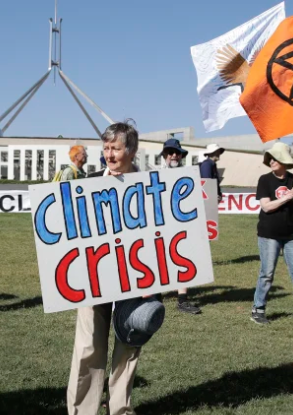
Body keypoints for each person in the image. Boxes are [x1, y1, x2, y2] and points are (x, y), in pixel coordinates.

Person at [67, 120, 147, 415]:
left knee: (128, 347)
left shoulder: (150, 186)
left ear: (132, 150)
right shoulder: (87, 182)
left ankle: (120, 409)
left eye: (115, 148)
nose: (109, 155)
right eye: (106, 148)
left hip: (135, 279)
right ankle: (82, 410)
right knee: (87, 347)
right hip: (93, 277)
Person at [250, 142, 293, 325]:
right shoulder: (265, 180)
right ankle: (258, 309)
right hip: (269, 234)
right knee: (267, 273)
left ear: (283, 161)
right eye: (269, 158)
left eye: (275, 158)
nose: (271, 161)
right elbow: (266, 206)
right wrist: (288, 196)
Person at [159, 139, 201, 315]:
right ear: (165, 155)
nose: (174, 155)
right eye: (170, 152)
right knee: (159, 259)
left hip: (181, 225)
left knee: (182, 258)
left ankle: (182, 299)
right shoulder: (156, 175)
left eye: (177, 153)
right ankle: (154, 295)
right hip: (161, 224)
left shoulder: (188, 176)